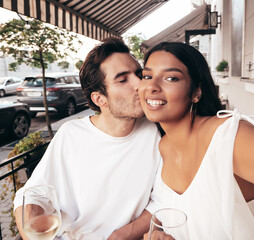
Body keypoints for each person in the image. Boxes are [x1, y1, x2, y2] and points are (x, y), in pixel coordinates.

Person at [139, 42, 254, 239]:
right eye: (147, 76)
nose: (152, 86)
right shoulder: (162, 146)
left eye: (171, 78)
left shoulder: (226, 138)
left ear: (196, 93)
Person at [13, 38, 161, 240]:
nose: (140, 85)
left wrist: (122, 234)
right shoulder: (71, 134)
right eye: (123, 79)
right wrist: (32, 230)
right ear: (100, 99)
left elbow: (164, 200)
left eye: (138, 74)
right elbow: (32, 195)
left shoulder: (155, 131)